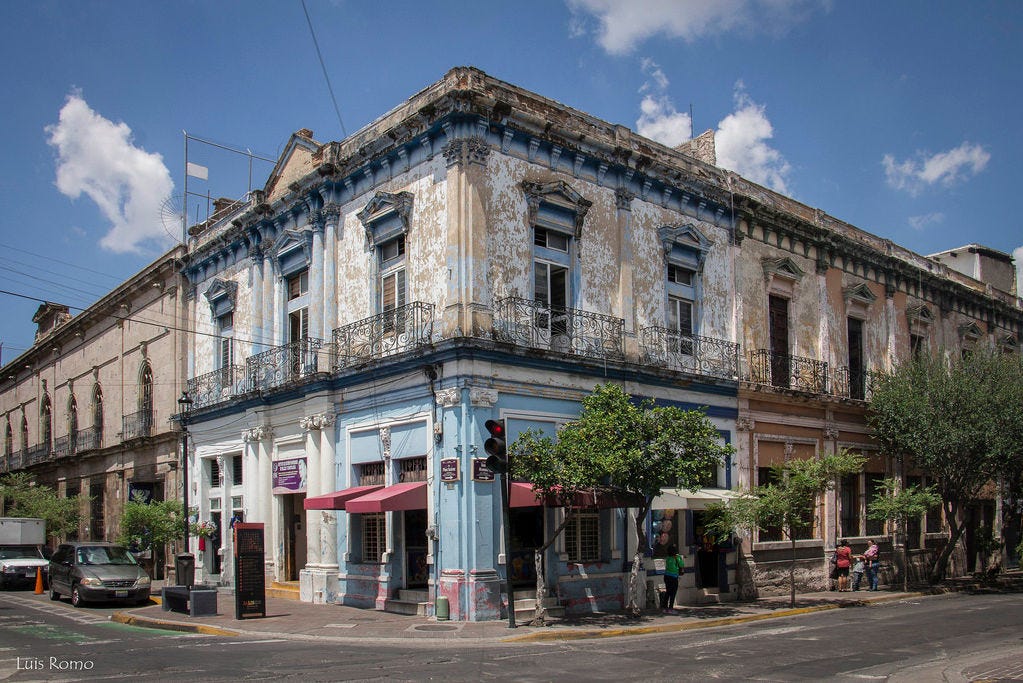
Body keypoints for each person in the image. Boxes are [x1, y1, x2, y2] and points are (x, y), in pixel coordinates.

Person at [663, 544, 684, 614]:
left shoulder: (667, 558)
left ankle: (665, 608)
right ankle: (670, 608)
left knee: (668, 592)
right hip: (674, 577)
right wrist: (679, 557)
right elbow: (681, 565)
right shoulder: (677, 557)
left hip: (666, 576)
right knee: (673, 593)